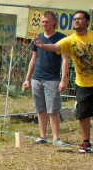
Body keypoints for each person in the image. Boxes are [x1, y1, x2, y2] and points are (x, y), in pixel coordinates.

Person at [34, 10, 93, 154]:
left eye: (80, 18)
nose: (76, 21)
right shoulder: (70, 40)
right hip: (83, 83)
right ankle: (86, 142)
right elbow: (56, 47)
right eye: (75, 19)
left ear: (87, 22)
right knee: (83, 114)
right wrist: (42, 46)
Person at [22, 10, 69, 145]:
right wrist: (27, 78)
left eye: (47, 21)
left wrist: (63, 79)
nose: (44, 24)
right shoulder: (37, 38)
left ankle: (56, 138)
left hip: (52, 79)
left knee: (53, 109)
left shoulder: (61, 38)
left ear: (54, 22)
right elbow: (33, 58)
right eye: (42, 21)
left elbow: (65, 60)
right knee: (40, 108)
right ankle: (42, 136)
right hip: (37, 78)